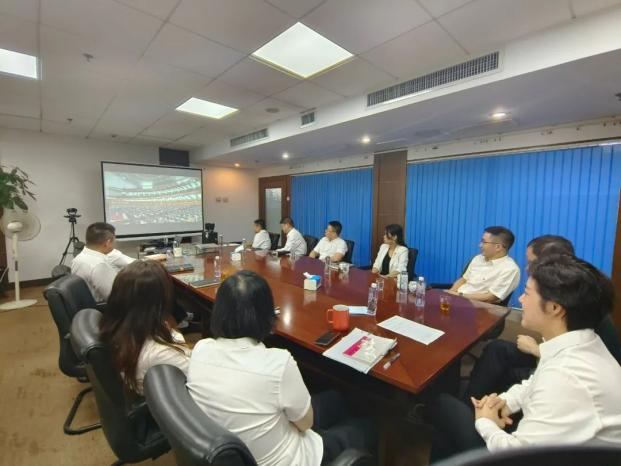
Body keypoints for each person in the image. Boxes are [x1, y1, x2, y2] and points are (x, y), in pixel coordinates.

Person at [427, 254, 621, 460]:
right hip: (554, 443)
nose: (520, 299)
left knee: (443, 406)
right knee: (449, 425)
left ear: (555, 308)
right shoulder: (578, 342)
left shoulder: (566, 377)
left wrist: (485, 421)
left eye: (527, 293)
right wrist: (503, 402)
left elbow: (520, 456)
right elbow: (534, 382)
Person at [187, 271, 374, 466]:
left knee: (335, 398)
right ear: (266, 315)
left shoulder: (201, 349)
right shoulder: (278, 362)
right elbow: (306, 424)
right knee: (364, 429)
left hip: (237, 448)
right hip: (291, 458)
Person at [466, 235, 621, 400]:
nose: (527, 268)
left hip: (570, 370)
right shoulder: (570, 290)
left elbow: (571, 358)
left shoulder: (577, 303)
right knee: (497, 348)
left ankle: (482, 406)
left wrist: (536, 350)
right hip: (555, 356)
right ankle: (473, 401)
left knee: (506, 374)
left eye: (532, 263)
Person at [99, 260, 191, 394]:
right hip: (173, 397)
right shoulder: (161, 353)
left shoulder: (118, 328)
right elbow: (197, 379)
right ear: (160, 300)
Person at [448, 226, 520, 304]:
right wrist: (450, 294)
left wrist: (459, 295)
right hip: (458, 299)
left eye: (484, 242)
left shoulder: (510, 269)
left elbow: (490, 297)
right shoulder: (478, 258)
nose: (480, 245)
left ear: (498, 247)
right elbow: (463, 279)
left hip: (477, 306)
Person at [71, 222, 135, 302]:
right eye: (114, 240)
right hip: (105, 307)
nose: (115, 242)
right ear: (108, 243)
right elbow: (117, 298)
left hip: (87, 306)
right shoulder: (99, 265)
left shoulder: (78, 258)